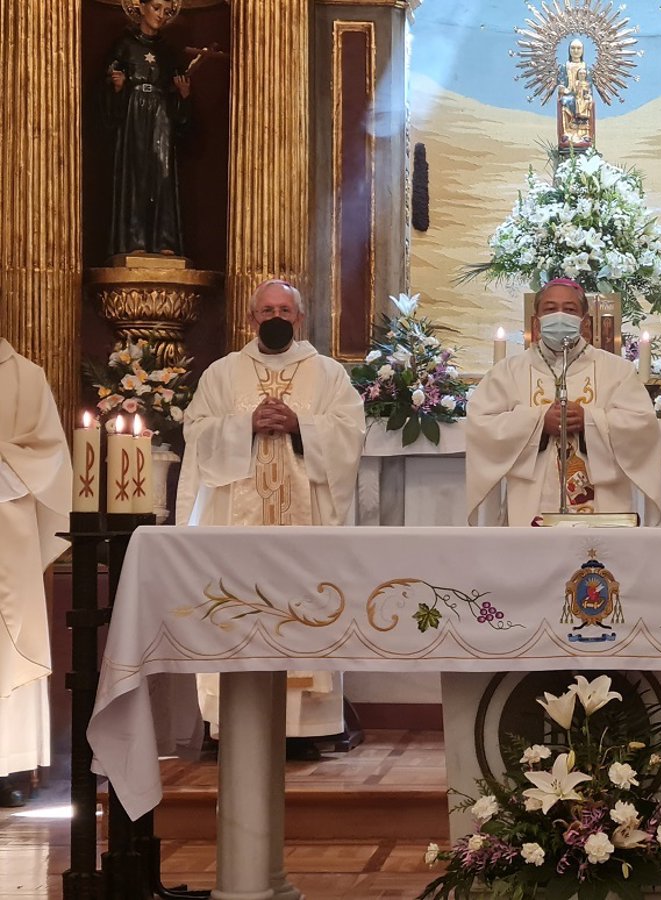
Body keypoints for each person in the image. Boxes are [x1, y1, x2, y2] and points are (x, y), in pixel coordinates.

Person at [176, 279, 366, 758]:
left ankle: (304, 727)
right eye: (267, 310)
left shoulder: (327, 374)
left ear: (299, 318)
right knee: (236, 602)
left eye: (285, 310)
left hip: (305, 525)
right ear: (252, 318)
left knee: (304, 602)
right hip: (236, 526)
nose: (276, 317)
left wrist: (302, 426)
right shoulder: (222, 373)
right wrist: (245, 425)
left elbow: (351, 433)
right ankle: (229, 724)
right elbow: (196, 431)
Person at [465, 278, 661, 526]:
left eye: (569, 309)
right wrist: (538, 421)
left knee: (597, 550)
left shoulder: (618, 371)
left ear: (585, 322)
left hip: (603, 502)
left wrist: (589, 421)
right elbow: (482, 426)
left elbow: (642, 426)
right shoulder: (508, 371)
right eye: (550, 309)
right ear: (536, 321)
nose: (559, 316)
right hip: (529, 501)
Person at [0, 339, 71, 806]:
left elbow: (47, 454)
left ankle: (6, 765)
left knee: (10, 647)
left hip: (7, 528)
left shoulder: (25, 376)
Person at [102, 0, 191, 258]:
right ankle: (134, 240)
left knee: (162, 174)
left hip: (161, 115)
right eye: (156, 8)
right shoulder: (124, 45)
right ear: (140, 7)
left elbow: (179, 97)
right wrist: (118, 87)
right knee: (136, 174)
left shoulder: (168, 52)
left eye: (167, 11)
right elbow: (106, 93)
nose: (161, 16)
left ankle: (164, 239)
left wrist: (183, 95)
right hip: (134, 115)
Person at [557, 39, 595, 150]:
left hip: (582, 96)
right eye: (573, 48)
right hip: (568, 95)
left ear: (583, 50)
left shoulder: (587, 68)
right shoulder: (564, 67)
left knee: (587, 103)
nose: (576, 51)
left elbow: (589, 86)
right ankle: (567, 134)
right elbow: (561, 83)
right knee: (565, 103)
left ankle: (584, 134)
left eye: (579, 48)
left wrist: (588, 95)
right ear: (569, 50)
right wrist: (562, 89)